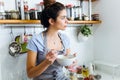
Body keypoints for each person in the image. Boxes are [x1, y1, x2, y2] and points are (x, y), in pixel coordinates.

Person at [26, 2, 73, 80]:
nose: (67, 21)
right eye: (62, 18)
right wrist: (46, 63)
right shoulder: (36, 40)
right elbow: (30, 74)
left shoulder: (65, 39)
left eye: (66, 17)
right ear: (51, 21)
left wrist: (71, 63)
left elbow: (67, 65)